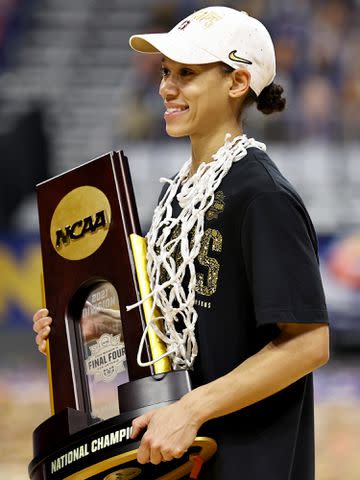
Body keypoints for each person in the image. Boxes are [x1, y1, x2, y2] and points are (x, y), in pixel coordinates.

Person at [33, 6, 329, 479]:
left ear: (237, 83)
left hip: (250, 462)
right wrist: (92, 330)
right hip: (183, 459)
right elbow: (183, 314)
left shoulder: (262, 196)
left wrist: (191, 409)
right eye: (167, 72)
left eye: (187, 74)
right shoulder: (178, 192)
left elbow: (308, 344)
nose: (166, 87)